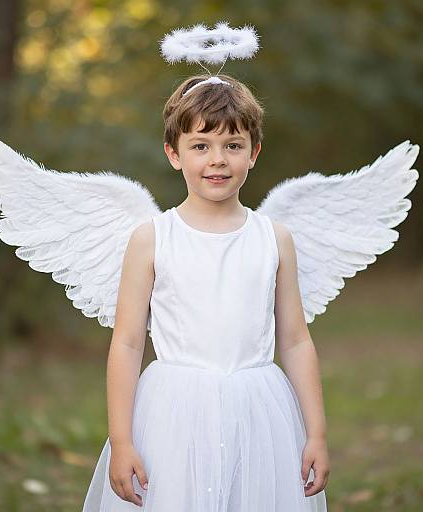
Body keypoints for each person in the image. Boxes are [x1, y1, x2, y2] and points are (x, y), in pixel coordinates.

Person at [82, 72, 329, 511]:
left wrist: (317, 433)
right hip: (173, 415)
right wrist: (121, 440)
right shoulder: (152, 238)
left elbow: (294, 339)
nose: (217, 159)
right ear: (173, 154)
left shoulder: (274, 238)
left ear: (253, 153)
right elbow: (127, 342)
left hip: (258, 412)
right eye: (200, 145)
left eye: (232, 146)